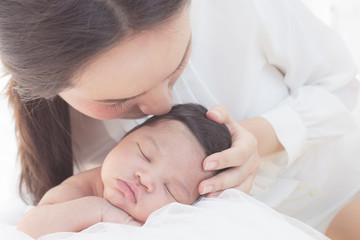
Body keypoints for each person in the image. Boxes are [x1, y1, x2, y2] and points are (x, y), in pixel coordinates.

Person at [0, 0, 359, 239]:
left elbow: (345, 86)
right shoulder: (63, 135)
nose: (162, 105)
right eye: (120, 100)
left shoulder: (232, 8)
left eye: (178, 63)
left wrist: (255, 138)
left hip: (342, 182)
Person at [17, 103, 232, 239]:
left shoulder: (164, 225)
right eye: (145, 154)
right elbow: (28, 227)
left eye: (170, 189)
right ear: (123, 139)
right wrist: (99, 210)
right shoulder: (78, 190)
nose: (145, 178)